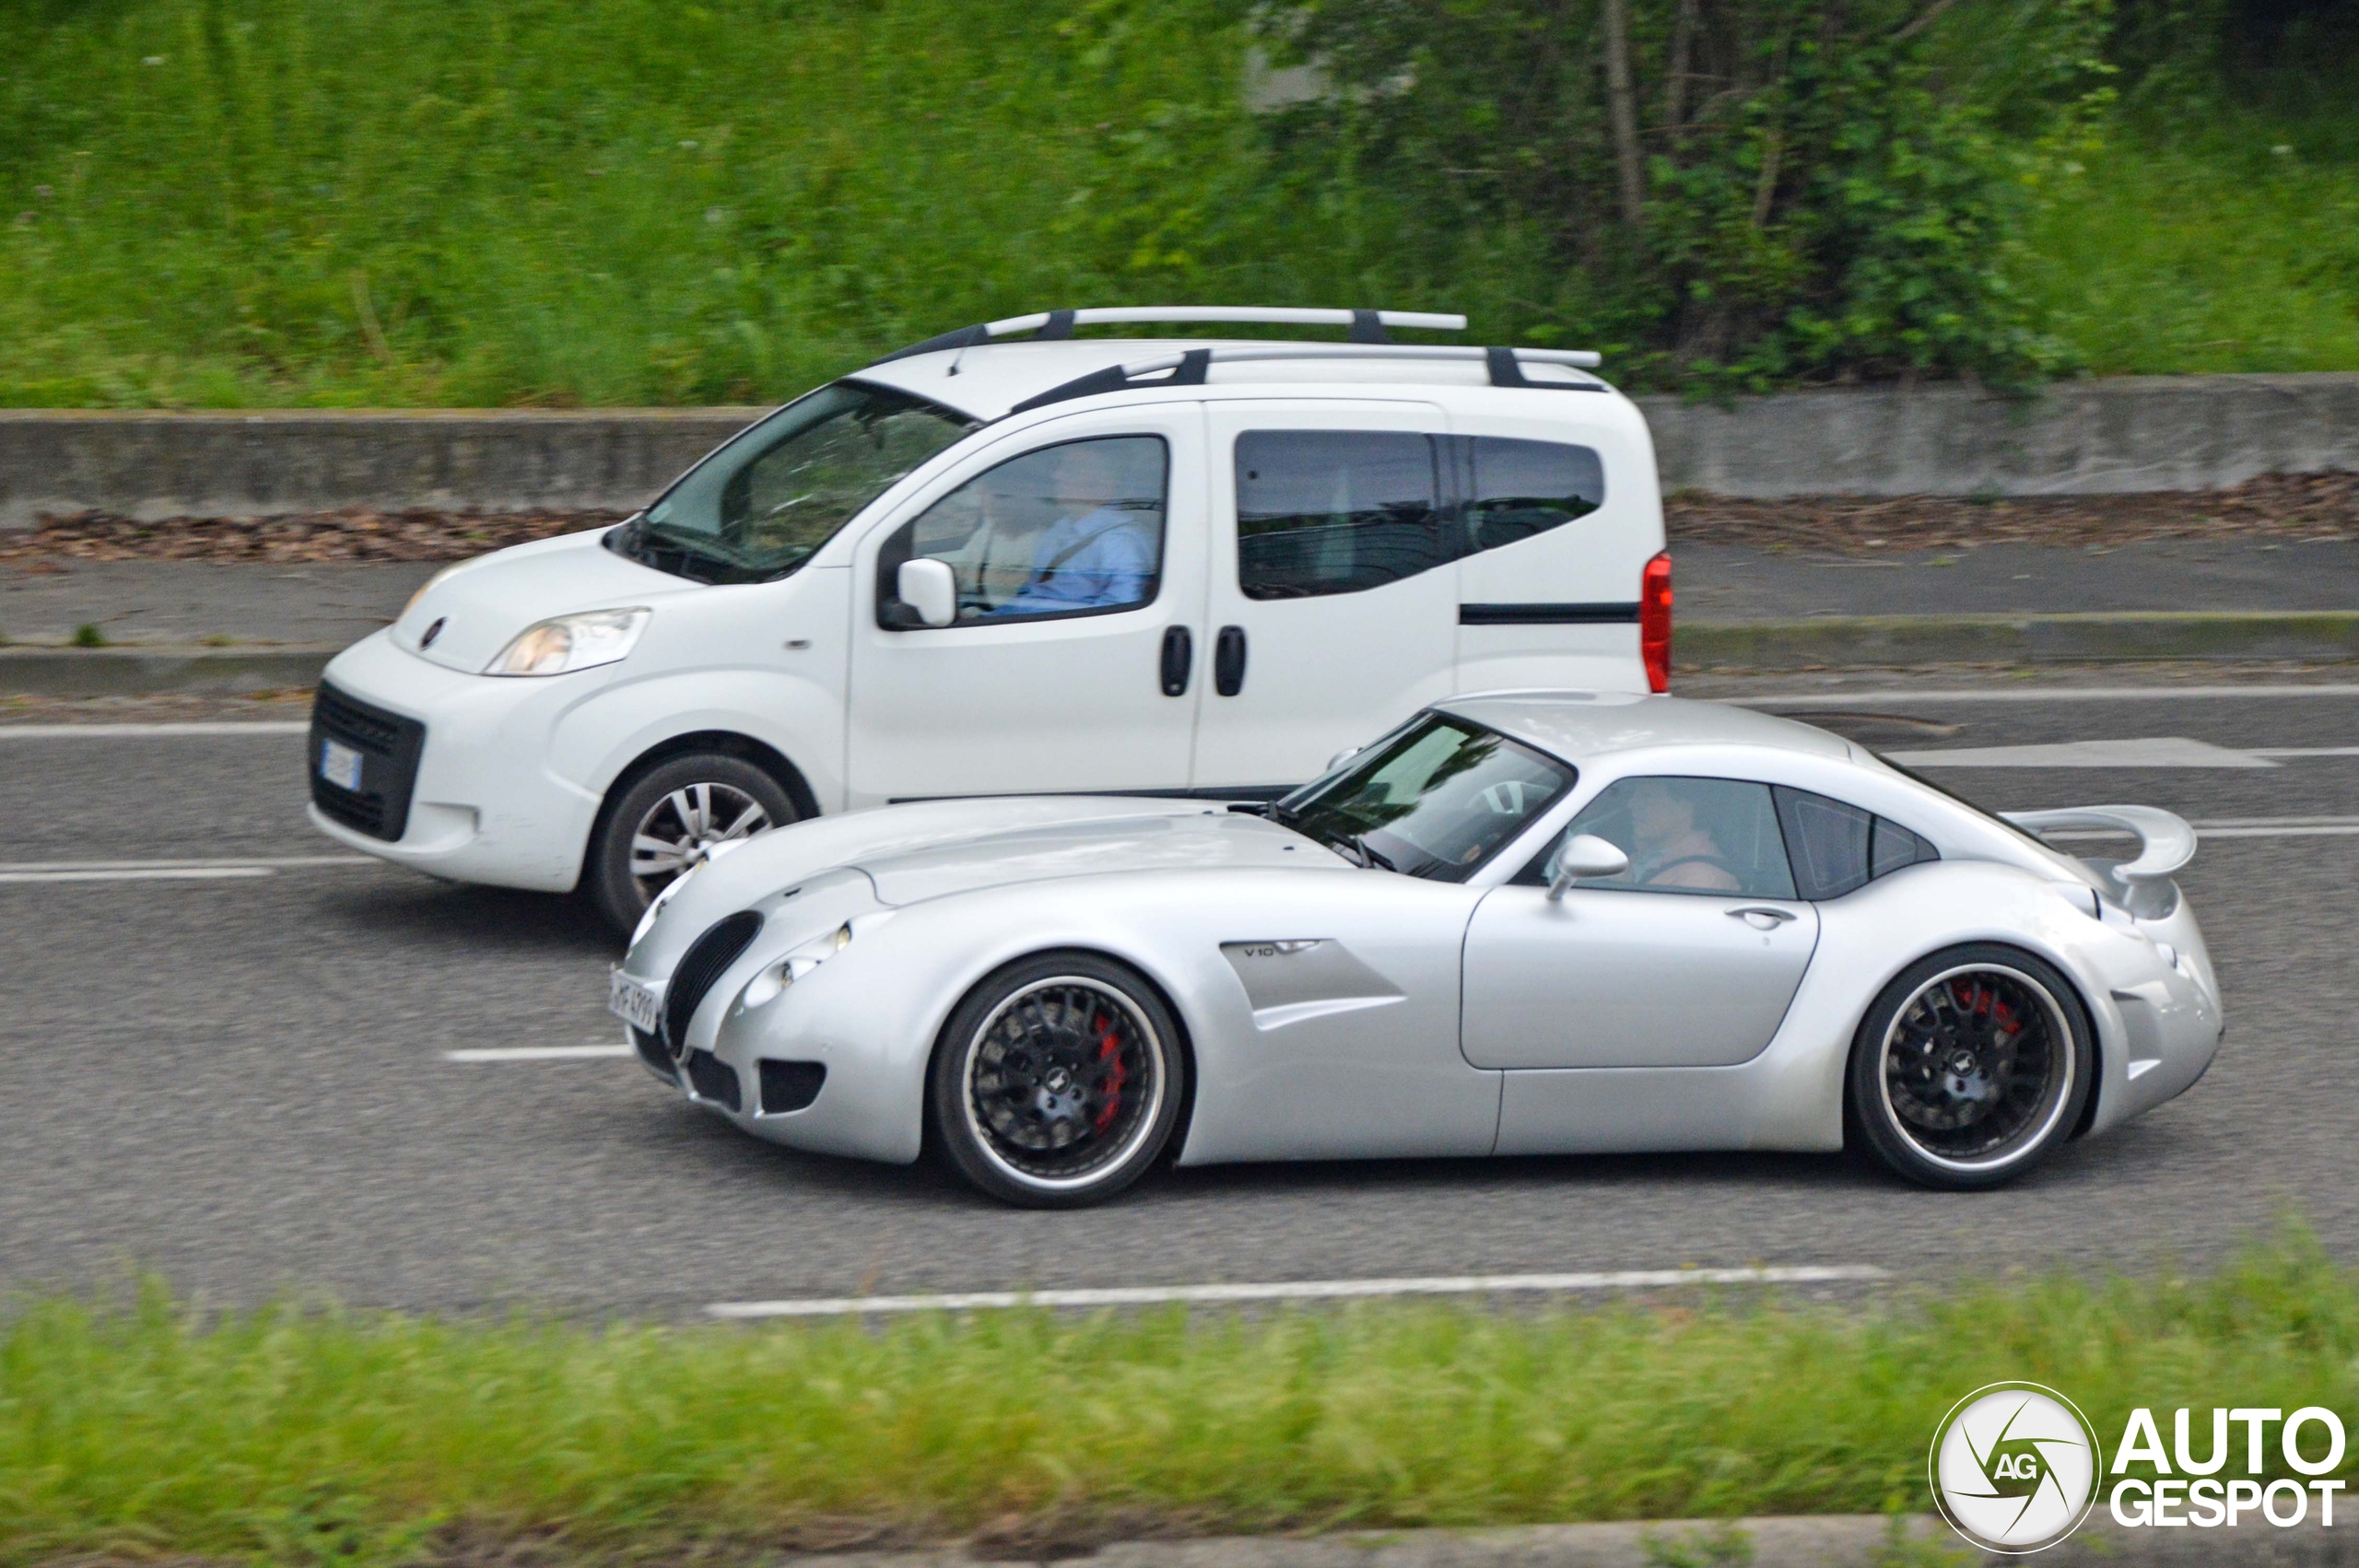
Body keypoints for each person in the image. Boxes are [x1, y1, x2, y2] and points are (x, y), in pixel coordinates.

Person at [991, 442, 1157, 615]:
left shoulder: (1121, 542)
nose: (1057, 475)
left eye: (1072, 469)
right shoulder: (1060, 529)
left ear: (1106, 485)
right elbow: (1030, 596)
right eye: (1061, 466)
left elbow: (1117, 616)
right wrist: (987, 620)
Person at [1622, 779, 1741, 892]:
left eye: (1647, 797)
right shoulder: (1646, 856)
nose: (1631, 804)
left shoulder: (1700, 877)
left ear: (1684, 808)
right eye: (1634, 796)